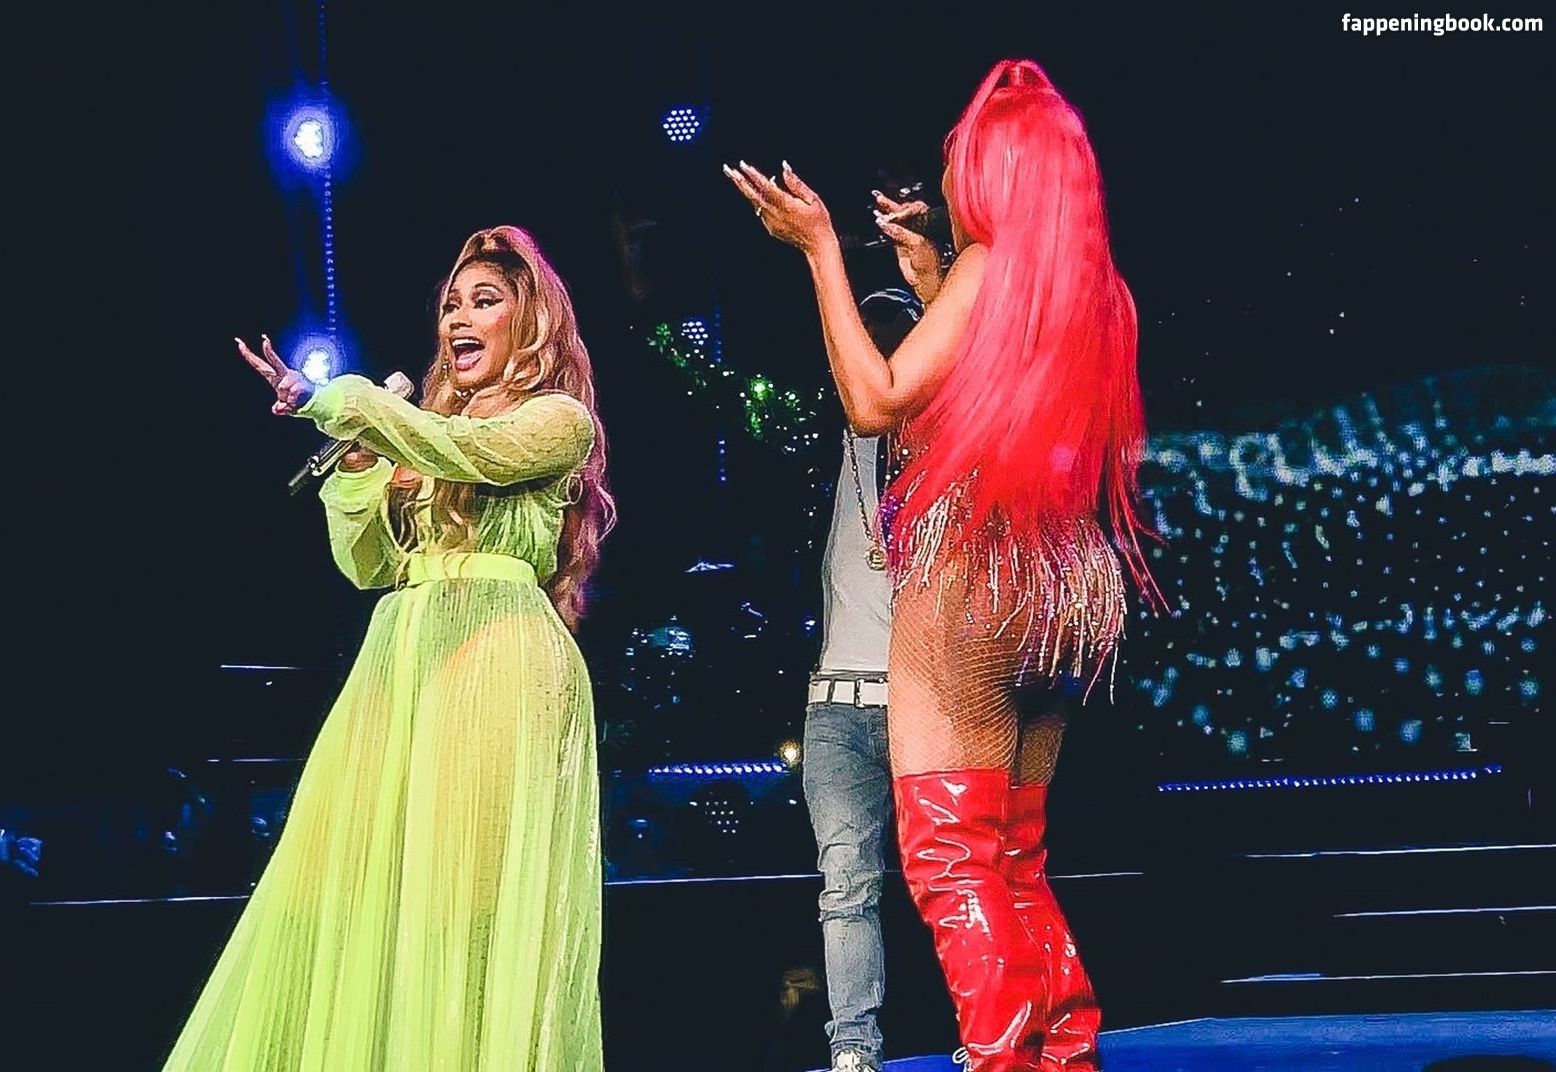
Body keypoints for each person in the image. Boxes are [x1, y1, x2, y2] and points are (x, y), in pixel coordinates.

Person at [727, 58, 1159, 1071]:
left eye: (963, 160)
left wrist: (821, 252)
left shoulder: (991, 265)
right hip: (1066, 587)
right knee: (1015, 853)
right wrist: (934, 283)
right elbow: (998, 390)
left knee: (953, 856)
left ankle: (1004, 1061)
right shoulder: (1101, 292)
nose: (952, 179)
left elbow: (876, 400)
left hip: (975, 578)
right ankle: (1062, 1056)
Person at [163, 225, 616, 1071]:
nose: (459, 319)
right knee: (363, 889)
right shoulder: (421, 430)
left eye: (485, 301)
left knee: (468, 899)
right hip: (402, 658)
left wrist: (346, 401)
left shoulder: (558, 420)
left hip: (498, 657)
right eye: (451, 306)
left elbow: (478, 455)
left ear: (531, 322)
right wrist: (359, 464)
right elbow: (367, 563)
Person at [802, 286, 929, 1072]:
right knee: (846, 884)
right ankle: (853, 1046)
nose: (878, 355)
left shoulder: (951, 455)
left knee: (950, 872)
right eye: (869, 340)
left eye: (896, 340)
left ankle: (989, 1028)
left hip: (927, 703)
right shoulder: (826, 450)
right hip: (837, 709)